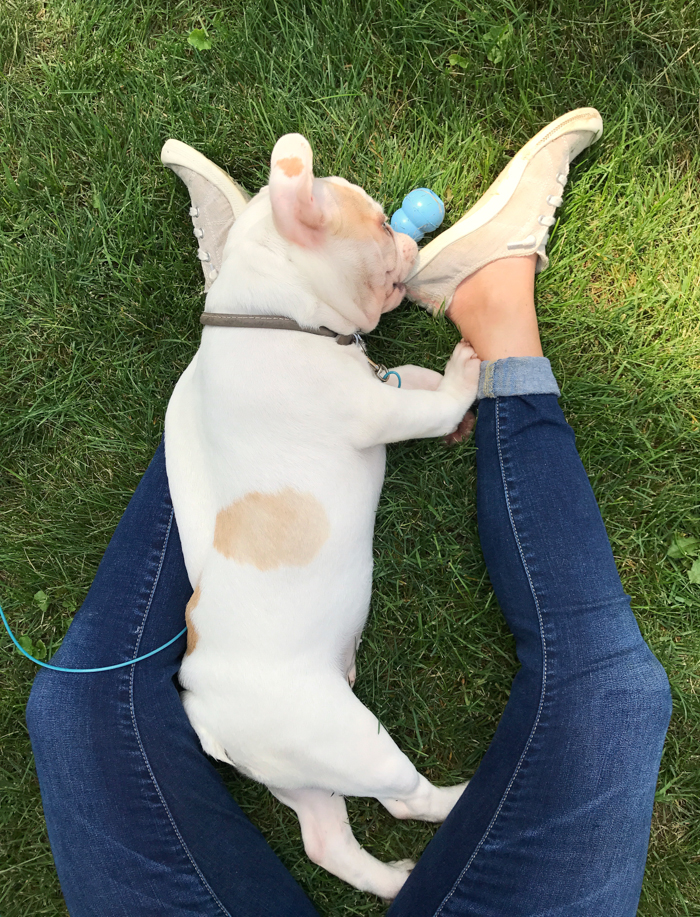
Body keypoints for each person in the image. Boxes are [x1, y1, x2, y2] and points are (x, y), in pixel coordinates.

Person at [26, 111, 671, 917]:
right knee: (616, 692)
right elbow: (417, 412)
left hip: (253, 677)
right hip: (267, 689)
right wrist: (458, 389)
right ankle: (418, 797)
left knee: (72, 705)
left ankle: (245, 314)